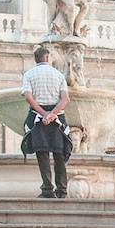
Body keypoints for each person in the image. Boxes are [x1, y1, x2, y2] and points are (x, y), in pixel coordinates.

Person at [20, 44, 71, 198]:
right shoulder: (58, 75)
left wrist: (43, 114)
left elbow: (28, 96)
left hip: (38, 116)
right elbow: (65, 98)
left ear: (36, 59)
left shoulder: (29, 74)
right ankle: (62, 190)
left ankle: (47, 189)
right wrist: (52, 114)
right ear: (48, 58)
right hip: (57, 117)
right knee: (59, 154)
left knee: (42, 152)